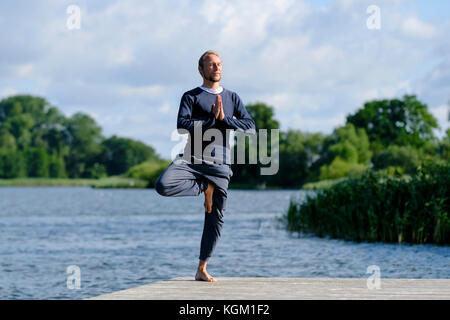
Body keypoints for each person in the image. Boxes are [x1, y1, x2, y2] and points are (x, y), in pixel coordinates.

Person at [155, 50, 255, 282]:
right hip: (192, 158)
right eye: (211, 65)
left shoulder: (232, 97)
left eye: (219, 64)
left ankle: (202, 268)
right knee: (163, 185)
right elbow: (182, 125)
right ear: (200, 69)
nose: (216, 68)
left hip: (220, 163)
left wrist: (224, 120)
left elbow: (249, 126)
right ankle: (204, 187)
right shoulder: (191, 96)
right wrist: (211, 120)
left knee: (215, 218)